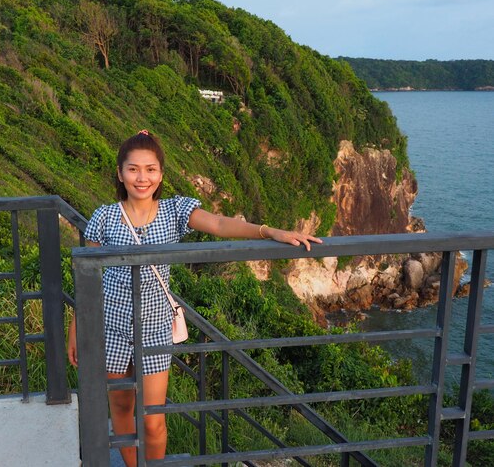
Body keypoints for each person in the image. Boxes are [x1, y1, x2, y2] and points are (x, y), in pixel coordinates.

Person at [67, 130, 322, 466]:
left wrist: (269, 231)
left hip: (155, 329)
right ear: (119, 173)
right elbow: (90, 280)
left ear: (161, 174)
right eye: (133, 169)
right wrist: (76, 328)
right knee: (122, 410)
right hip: (109, 328)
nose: (142, 178)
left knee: (154, 420)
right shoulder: (104, 217)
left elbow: (218, 224)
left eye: (150, 169)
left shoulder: (173, 210)